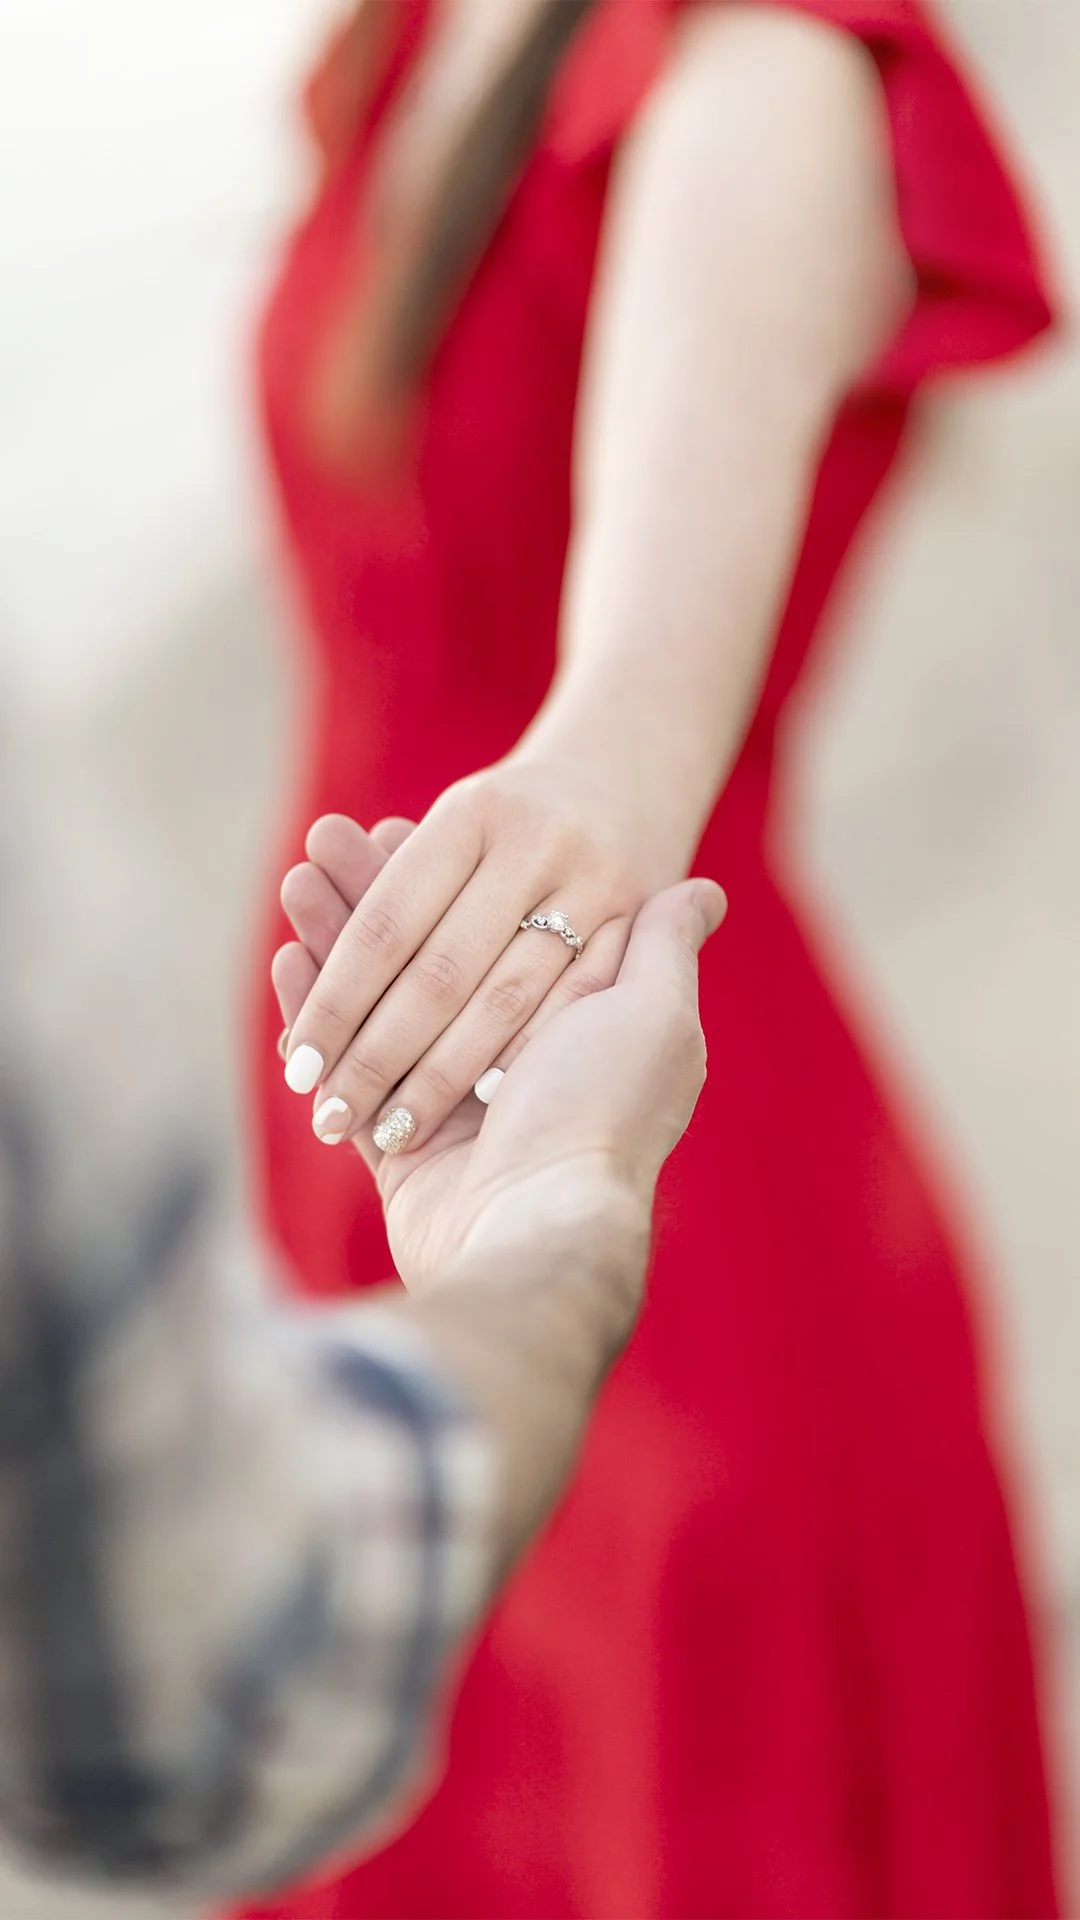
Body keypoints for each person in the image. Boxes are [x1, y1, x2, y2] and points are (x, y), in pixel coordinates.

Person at [253, 1, 1060, 1914]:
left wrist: (592, 785)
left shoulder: (759, 78)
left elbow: (620, 737)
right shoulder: (429, 33)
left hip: (626, 1126)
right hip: (381, 1105)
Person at [0, 760, 726, 1897]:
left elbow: (204, 1695)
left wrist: (600, 803)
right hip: (379, 1008)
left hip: (566, 983)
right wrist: (555, 1220)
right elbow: (207, 1687)